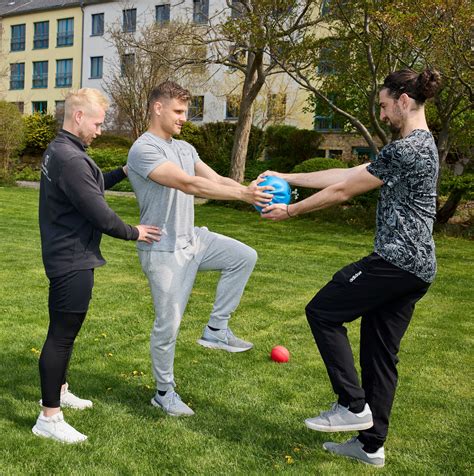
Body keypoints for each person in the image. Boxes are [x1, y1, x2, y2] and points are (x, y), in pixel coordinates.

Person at [261, 69, 441, 467]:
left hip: (397, 260)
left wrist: (290, 209)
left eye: (383, 104)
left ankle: (351, 403)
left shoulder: (408, 148)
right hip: (417, 268)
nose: (382, 113)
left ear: (404, 100)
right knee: (379, 356)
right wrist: (288, 176)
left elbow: (343, 190)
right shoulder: (418, 146)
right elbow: (346, 174)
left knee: (322, 311)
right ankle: (370, 446)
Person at [127, 81, 273, 417]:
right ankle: (164, 393)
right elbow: (189, 184)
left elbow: (216, 179)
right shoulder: (143, 149)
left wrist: (249, 191)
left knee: (243, 256)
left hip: (192, 239)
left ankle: (216, 329)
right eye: (178, 111)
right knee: (169, 326)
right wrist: (243, 196)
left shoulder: (185, 148)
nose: (183, 118)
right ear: (157, 108)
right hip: (163, 250)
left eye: (185, 112)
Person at [34, 88, 161, 444]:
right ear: (78, 117)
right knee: (61, 336)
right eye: (97, 122)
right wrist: (135, 231)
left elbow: (92, 186)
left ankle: (59, 391)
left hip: (67, 255)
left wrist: (123, 170)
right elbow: (99, 213)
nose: (100, 130)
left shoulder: (63, 151)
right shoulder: (71, 158)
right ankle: (49, 416)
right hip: (71, 259)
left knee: (66, 333)